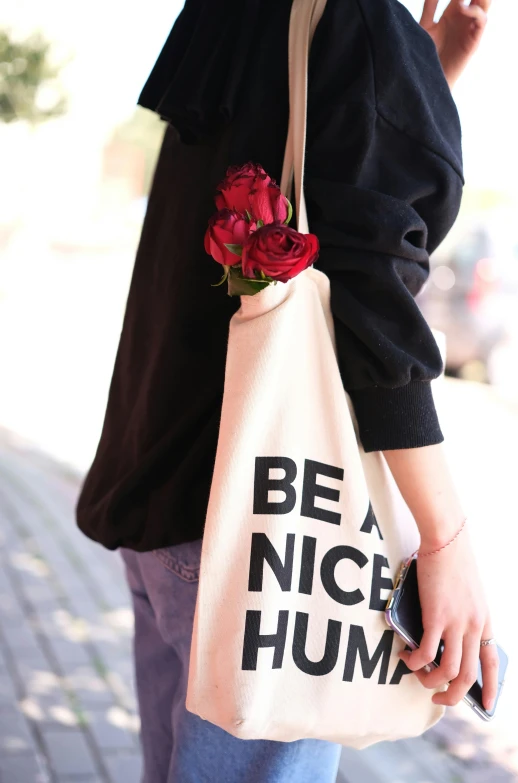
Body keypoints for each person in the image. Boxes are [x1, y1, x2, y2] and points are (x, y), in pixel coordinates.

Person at [76, 0, 496, 781]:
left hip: (168, 506)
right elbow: (373, 302)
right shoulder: (362, 24)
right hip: (261, 540)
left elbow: (327, 194)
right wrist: (446, 539)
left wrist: (421, 81)